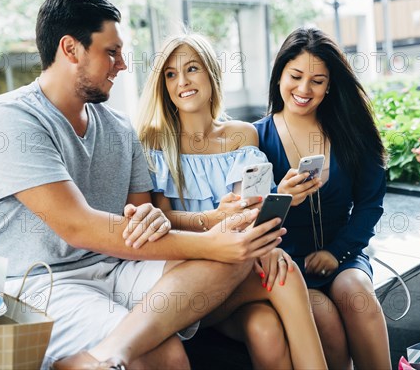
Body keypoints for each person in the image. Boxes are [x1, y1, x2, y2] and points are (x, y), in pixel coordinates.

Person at [0, 0, 285, 370]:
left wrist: (205, 225)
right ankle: (105, 353)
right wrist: (209, 240)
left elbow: (143, 217)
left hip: (117, 267)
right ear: (71, 49)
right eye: (111, 52)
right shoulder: (11, 120)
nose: (122, 65)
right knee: (166, 357)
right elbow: (77, 226)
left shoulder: (117, 127)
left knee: (237, 254)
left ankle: (100, 355)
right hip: (41, 284)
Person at [135, 34, 327, 369]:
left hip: (238, 269)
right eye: (170, 74)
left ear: (211, 73)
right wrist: (211, 219)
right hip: (185, 277)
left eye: (191, 69)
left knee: (264, 328)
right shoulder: (151, 140)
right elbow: (160, 220)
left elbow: (248, 210)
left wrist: (280, 198)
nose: (182, 81)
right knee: (286, 276)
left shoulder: (242, 135)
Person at [254, 27, 391, 369]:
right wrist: (280, 196)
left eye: (317, 80)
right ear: (280, 75)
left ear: (330, 85)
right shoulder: (254, 137)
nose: (304, 89)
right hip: (287, 264)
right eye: (295, 76)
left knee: (357, 293)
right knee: (323, 315)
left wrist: (337, 251)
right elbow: (248, 218)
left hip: (343, 253)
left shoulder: (350, 130)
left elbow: (370, 203)